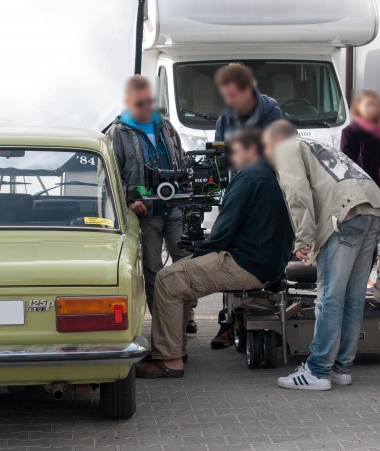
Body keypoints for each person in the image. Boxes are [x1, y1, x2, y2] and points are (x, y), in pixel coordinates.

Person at [135, 129, 294, 378]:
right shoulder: (267, 173)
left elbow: (222, 231)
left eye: (235, 152)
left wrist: (199, 253)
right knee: (178, 274)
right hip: (266, 263)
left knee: (167, 279)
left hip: (247, 263)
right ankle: (174, 349)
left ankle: (170, 361)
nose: (230, 159)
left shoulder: (249, 176)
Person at [264, 120, 380, 391]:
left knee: (330, 296)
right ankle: (341, 368)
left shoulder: (286, 147)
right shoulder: (319, 145)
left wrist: (304, 238)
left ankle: (318, 371)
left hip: (345, 215)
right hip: (373, 210)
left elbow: (296, 192)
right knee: (352, 297)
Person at [105, 75, 196, 328]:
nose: (146, 107)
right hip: (145, 212)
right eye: (140, 103)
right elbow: (111, 176)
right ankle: (164, 323)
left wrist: (187, 190)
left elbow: (181, 161)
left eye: (149, 101)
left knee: (185, 262)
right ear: (128, 102)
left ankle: (187, 315)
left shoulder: (166, 127)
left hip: (174, 208)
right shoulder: (118, 133)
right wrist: (128, 202)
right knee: (153, 270)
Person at [210, 62, 283, 348]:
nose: (228, 101)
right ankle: (229, 322)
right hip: (239, 193)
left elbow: (281, 155)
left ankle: (272, 320)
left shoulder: (272, 113)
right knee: (230, 252)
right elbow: (219, 159)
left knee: (269, 257)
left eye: (232, 94)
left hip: (268, 197)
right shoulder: (224, 119)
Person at [341, 90, 380, 210]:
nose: (372, 109)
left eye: (375, 105)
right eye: (368, 105)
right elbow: (346, 165)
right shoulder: (349, 132)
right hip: (362, 193)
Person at [214, 63, 283, 142]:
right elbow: (218, 149)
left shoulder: (272, 115)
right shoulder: (222, 121)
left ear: (247, 90)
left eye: (232, 95)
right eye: (225, 96)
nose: (228, 101)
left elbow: (279, 148)